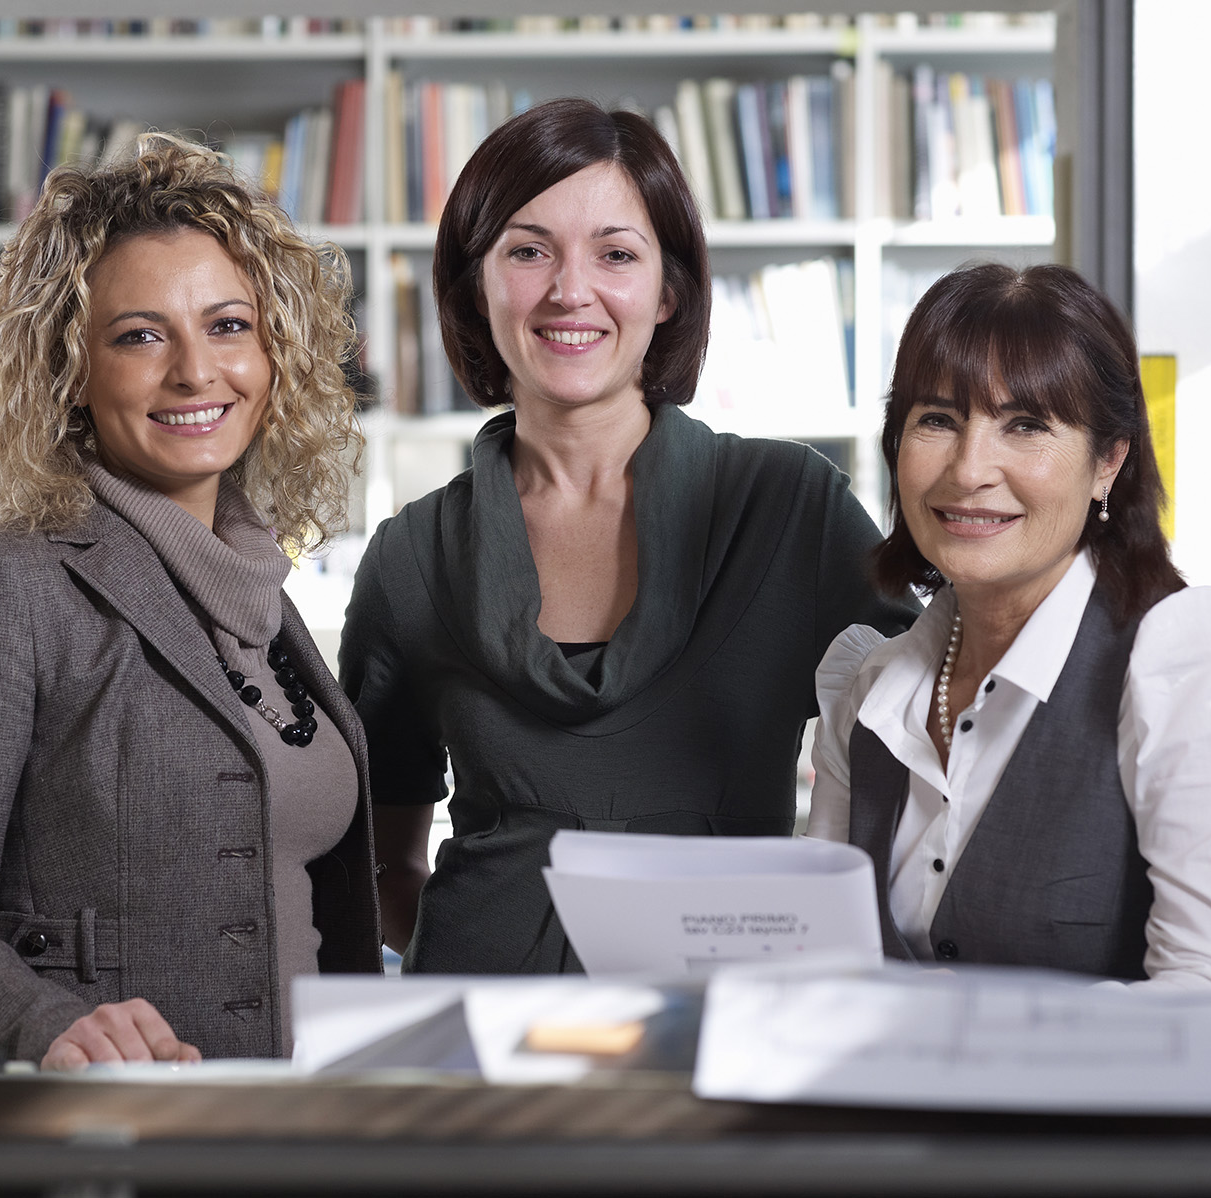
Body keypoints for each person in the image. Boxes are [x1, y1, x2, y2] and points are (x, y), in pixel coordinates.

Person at [340, 98, 917, 975]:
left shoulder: (787, 505)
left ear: (668, 290)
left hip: (734, 1011)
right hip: (485, 1038)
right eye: (528, 251)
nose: (572, 291)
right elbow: (380, 863)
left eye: (616, 255)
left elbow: (946, 744)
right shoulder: (412, 557)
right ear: (474, 285)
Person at [0, 135, 381, 1067]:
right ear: (70, 372)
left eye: (228, 326)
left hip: (313, 1124)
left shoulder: (259, 586)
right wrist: (45, 1025)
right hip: (117, 1133)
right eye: (140, 335)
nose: (194, 372)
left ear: (276, 353)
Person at [807, 263, 1211, 993]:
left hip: (1099, 1109)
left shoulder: (1181, 653)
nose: (969, 470)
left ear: (1108, 462)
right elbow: (820, 969)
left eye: (1026, 425)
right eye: (937, 419)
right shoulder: (869, 687)